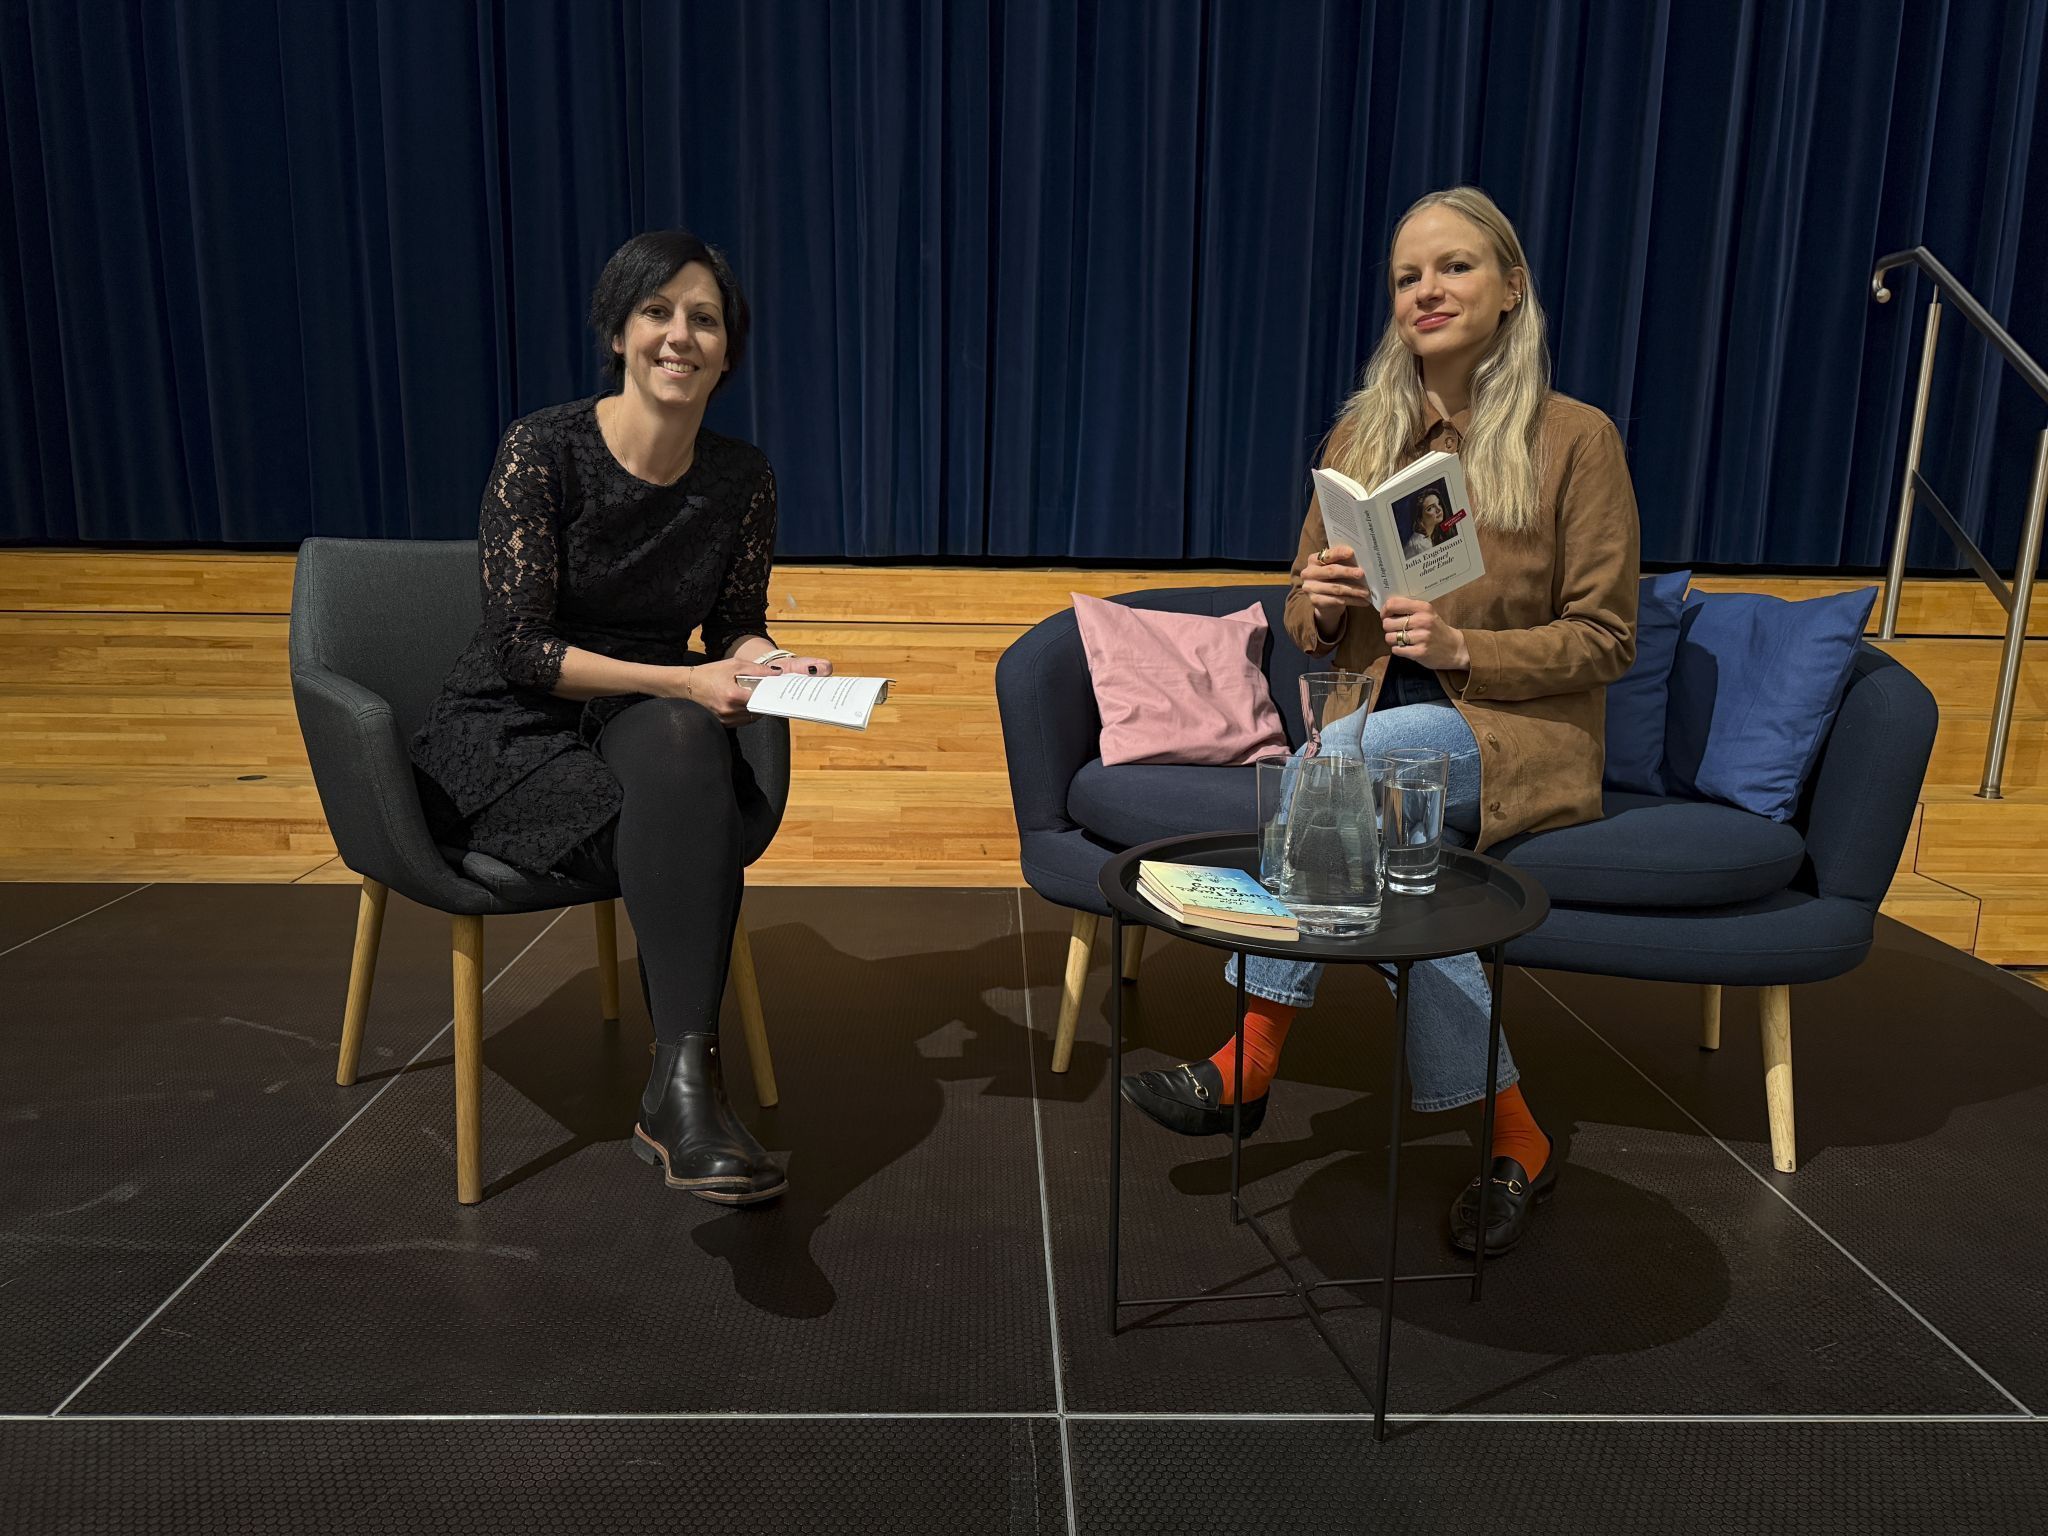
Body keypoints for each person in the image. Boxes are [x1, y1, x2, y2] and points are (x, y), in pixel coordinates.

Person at [1119, 187, 1640, 1255]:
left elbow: (1606, 638)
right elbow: (1302, 620)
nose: (1426, 291)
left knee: (1336, 765)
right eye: (1408, 276)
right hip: (1368, 719)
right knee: (1401, 863)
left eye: (1454, 267)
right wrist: (1317, 600)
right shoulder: (1362, 436)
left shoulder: (1575, 438)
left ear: (1511, 288)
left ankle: (1248, 1059)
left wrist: (1463, 649)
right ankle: (1516, 1137)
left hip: (1503, 729)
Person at [410, 230, 808, 1206]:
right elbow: (521, 649)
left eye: (704, 318)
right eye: (656, 312)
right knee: (687, 794)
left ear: (728, 348)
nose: (680, 335)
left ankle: (680, 1090)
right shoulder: (543, 450)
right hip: (512, 723)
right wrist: (685, 682)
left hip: (638, 714)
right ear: (618, 332)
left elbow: (735, 620)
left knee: (682, 745)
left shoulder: (741, 477)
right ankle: (688, 1096)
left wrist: (768, 662)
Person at [1403, 491, 1449, 558]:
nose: (1439, 509)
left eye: (1439, 503)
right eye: (1430, 508)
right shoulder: (1421, 544)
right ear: (1420, 518)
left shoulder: (1429, 537)